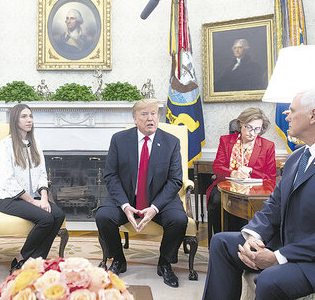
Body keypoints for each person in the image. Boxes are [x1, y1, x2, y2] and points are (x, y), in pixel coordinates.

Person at [202, 90, 315, 300]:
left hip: (308, 259)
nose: (286, 116)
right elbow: (273, 206)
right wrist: (252, 236)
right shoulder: (296, 158)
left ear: (312, 115)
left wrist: (278, 257)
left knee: (269, 279)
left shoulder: (278, 151)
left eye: (291, 111)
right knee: (221, 243)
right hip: (284, 242)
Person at [95, 99, 187, 288]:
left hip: (160, 198)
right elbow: (110, 175)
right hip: (127, 197)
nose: (150, 118)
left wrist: (154, 208)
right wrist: (125, 205)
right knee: (104, 216)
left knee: (179, 220)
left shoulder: (171, 142)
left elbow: (175, 180)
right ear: (135, 118)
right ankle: (119, 259)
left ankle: (165, 262)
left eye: (154, 113)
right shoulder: (119, 140)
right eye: (144, 114)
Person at [0, 104, 65, 273]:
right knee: (46, 219)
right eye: (24, 116)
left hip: (35, 197)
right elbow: (8, 180)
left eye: (30, 116)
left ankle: (36, 260)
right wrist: (33, 202)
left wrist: (43, 197)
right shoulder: (5, 145)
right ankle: (20, 258)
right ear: (15, 120)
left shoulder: (36, 143)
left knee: (58, 214)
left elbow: (42, 173)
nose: (29, 120)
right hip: (10, 199)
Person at [206, 108, 276, 241]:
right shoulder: (226, 141)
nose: (252, 133)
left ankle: (244, 242)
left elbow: (270, 178)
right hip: (224, 186)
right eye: (248, 127)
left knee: (247, 206)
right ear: (240, 124)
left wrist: (250, 171)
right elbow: (217, 167)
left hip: (253, 191)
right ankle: (221, 240)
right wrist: (233, 173)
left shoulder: (268, 146)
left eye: (257, 129)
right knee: (216, 201)